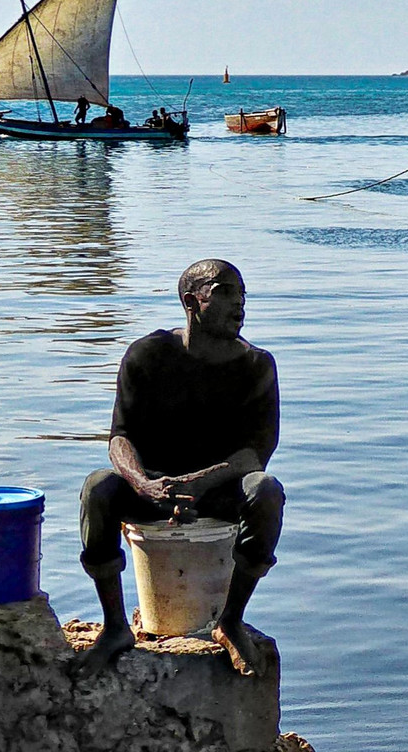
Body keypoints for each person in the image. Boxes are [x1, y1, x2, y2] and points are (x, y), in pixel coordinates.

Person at [76, 259, 283, 676]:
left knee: (266, 491)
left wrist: (198, 483)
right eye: (225, 292)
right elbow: (119, 438)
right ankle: (115, 626)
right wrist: (145, 484)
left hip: (219, 491)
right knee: (98, 488)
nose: (239, 304)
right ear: (192, 301)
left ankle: (229, 621)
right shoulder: (147, 355)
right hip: (154, 488)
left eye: (242, 293)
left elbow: (253, 456)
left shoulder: (256, 366)